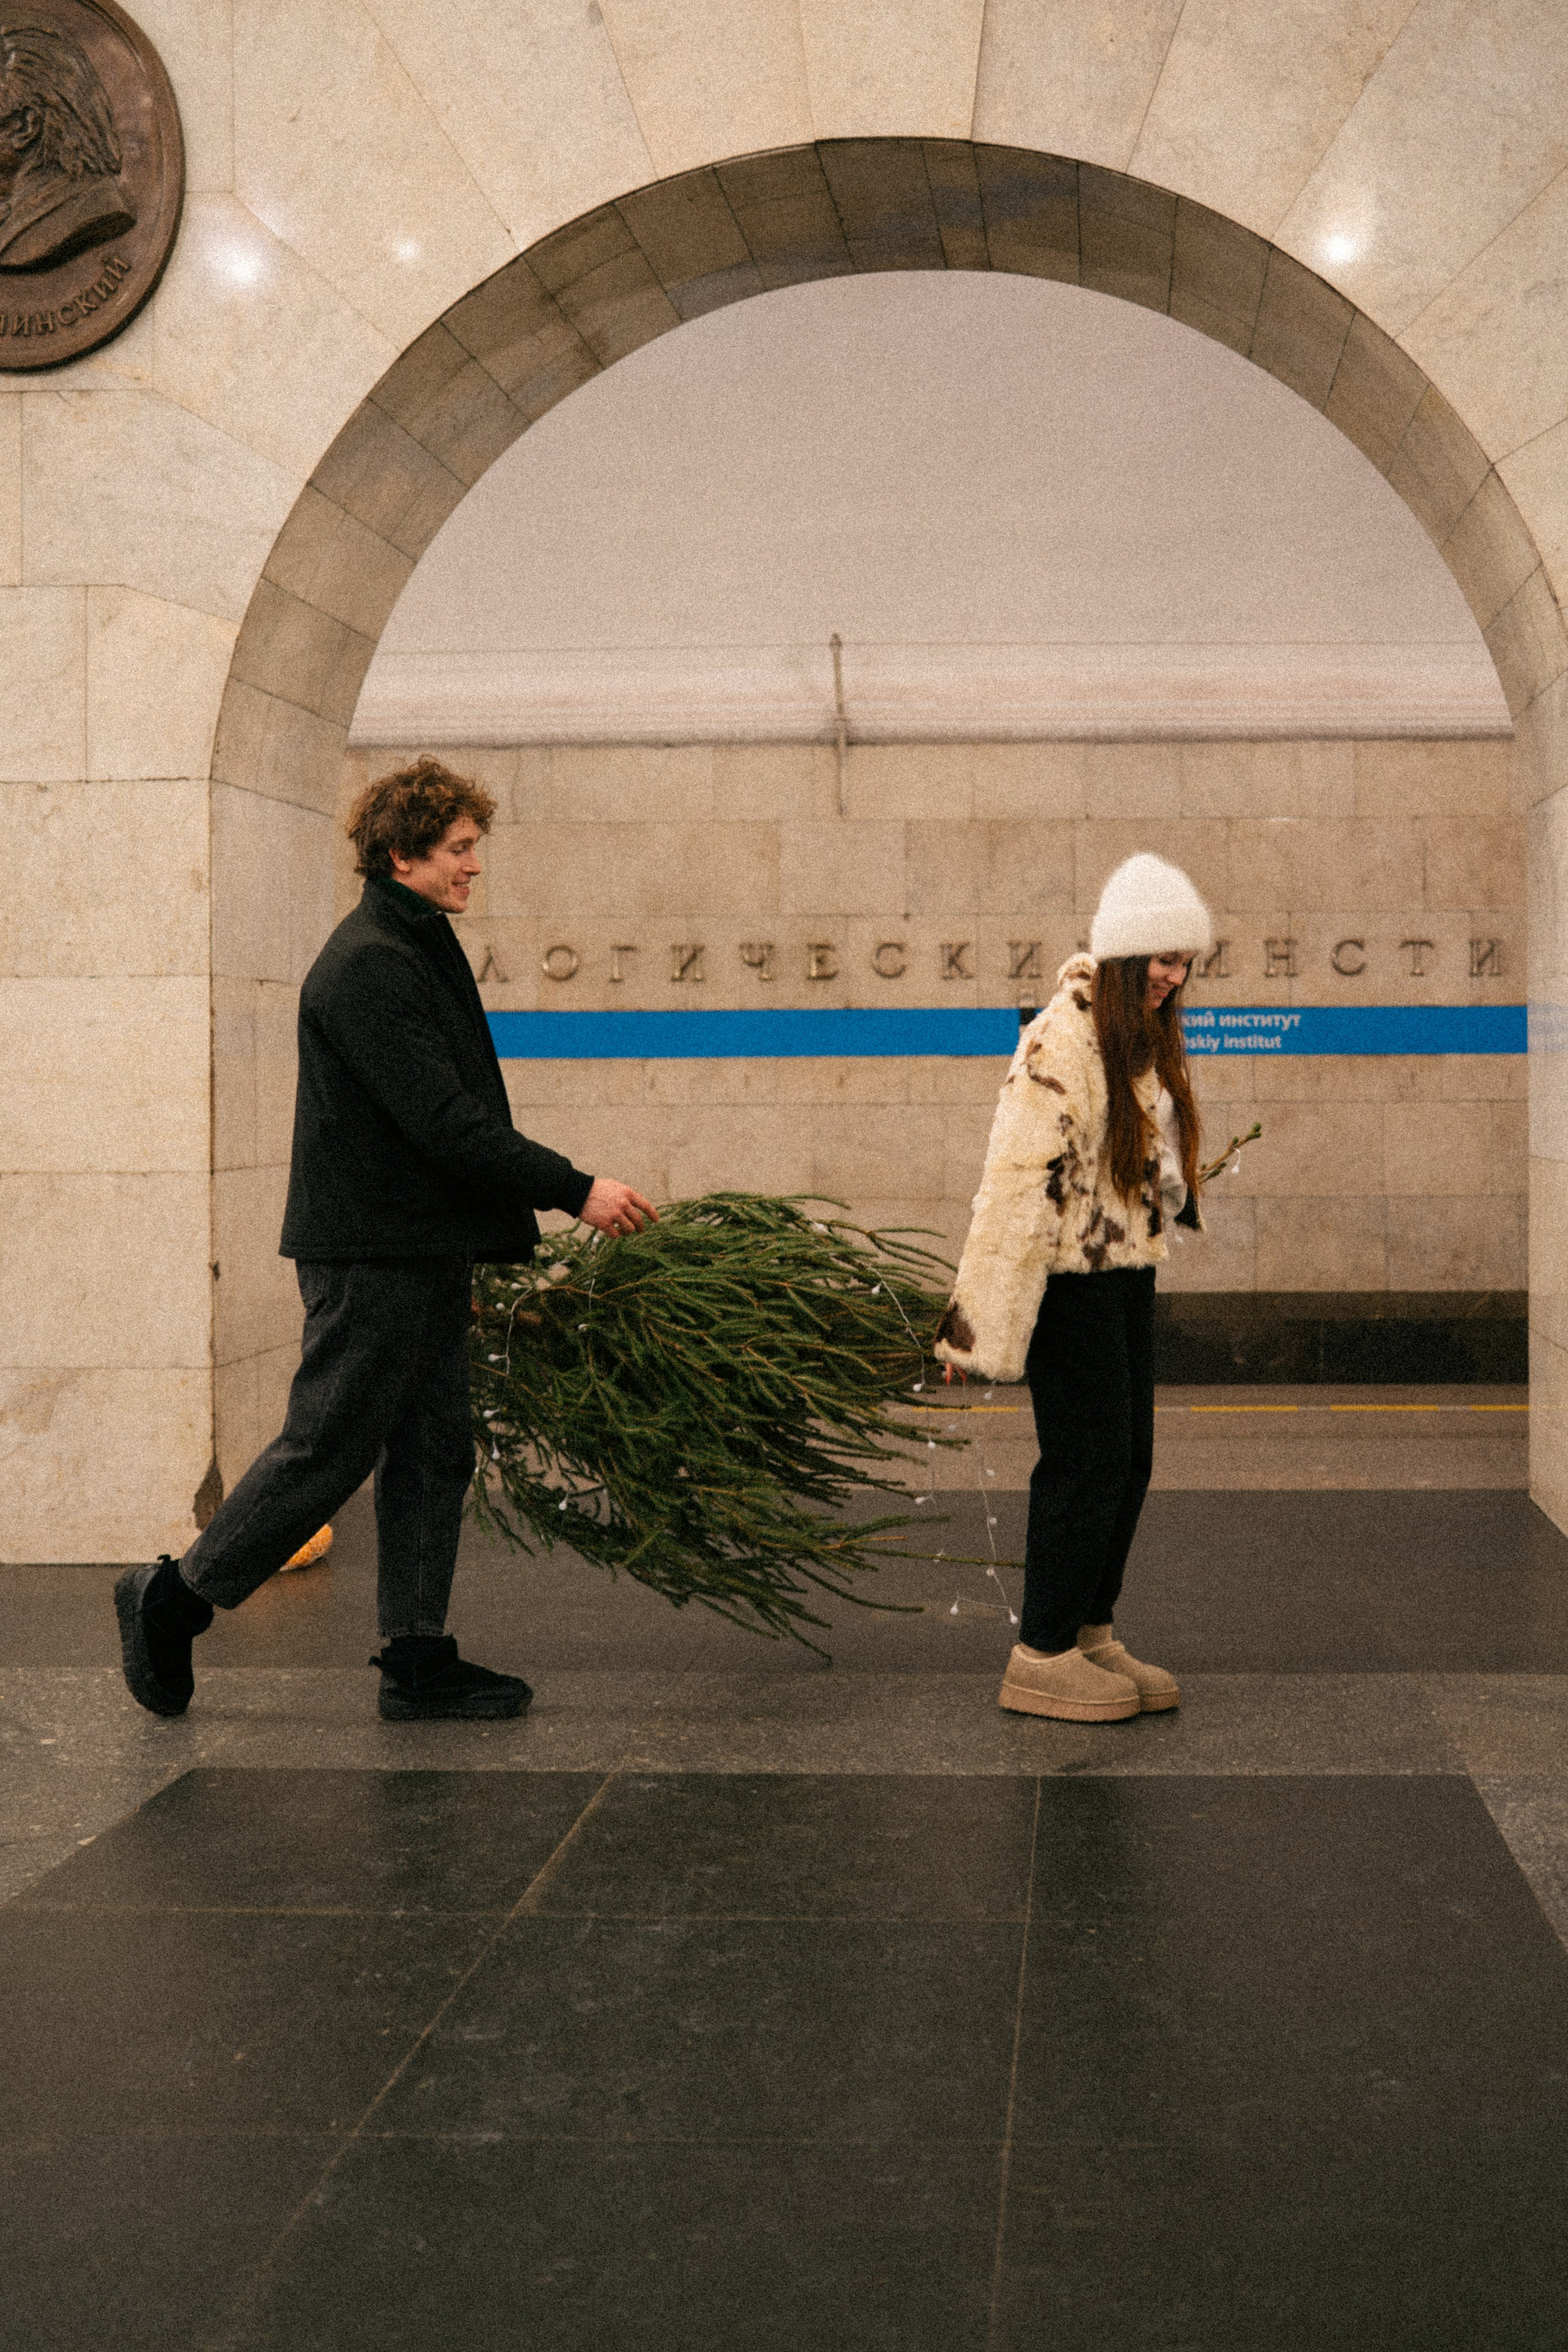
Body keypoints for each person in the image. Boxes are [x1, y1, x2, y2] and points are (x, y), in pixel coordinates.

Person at [115, 756, 655, 1723]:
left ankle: (417, 1654)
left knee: (435, 1448)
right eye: (458, 849)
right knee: (328, 1449)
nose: (474, 866)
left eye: (474, 848)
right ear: (401, 854)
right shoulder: (368, 963)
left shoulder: (413, 940)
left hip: (416, 1246)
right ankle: (174, 1596)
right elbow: (442, 1121)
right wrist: (575, 1190)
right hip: (371, 1254)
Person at [935, 853, 1210, 1724]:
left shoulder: (1131, 1039)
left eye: (1183, 962)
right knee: (1085, 1465)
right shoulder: (1061, 1036)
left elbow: (1124, 1164)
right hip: (1067, 1285)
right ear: (1124, 955)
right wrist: (974, 1332)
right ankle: (1042, 1650)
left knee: (1129, 1460)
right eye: (1161, 959)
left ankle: (1092, 1630)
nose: (1172, 977)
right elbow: (1014, 1185)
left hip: (1123, 1276)